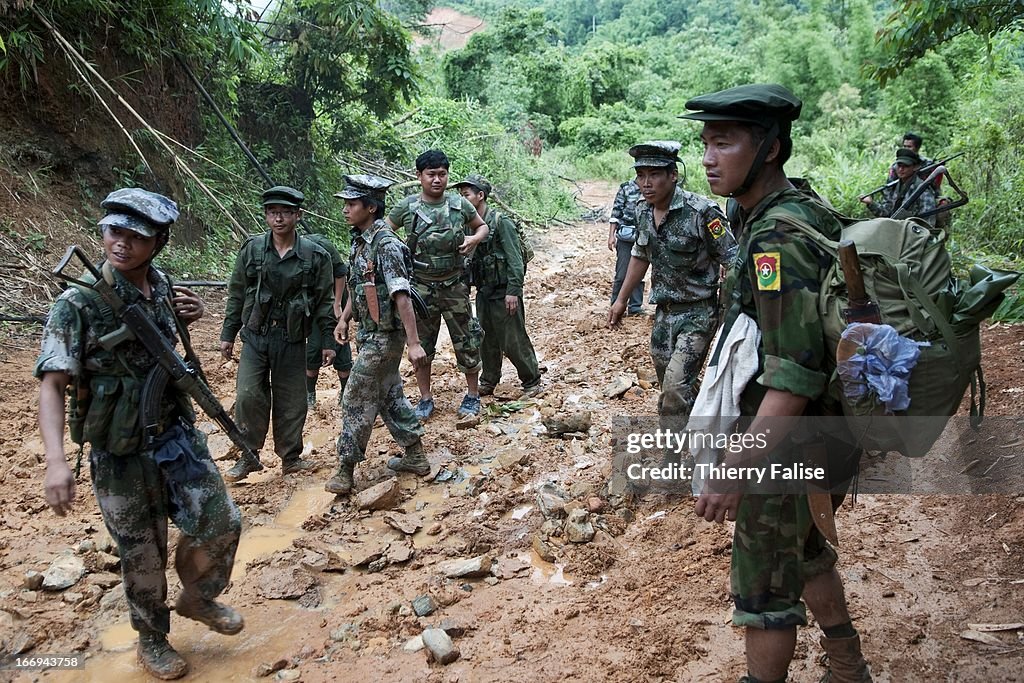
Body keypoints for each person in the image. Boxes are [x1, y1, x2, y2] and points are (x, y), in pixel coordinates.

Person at [684, 84, 871, 683]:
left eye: (726, 142)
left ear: (769, 149)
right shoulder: (799, 209)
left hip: (790, 441)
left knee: (764, 592)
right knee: (806, 549)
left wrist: (732, 469)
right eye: (706, 143)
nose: (710, 157)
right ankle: (847, 664)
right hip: (827, 434)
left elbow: (791, 375)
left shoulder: (775, 239)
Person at [37, 188, 243, 680]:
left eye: (136, 236)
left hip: (175, 435)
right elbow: (52, 383)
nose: (121, 243)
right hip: (118, 450)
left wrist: (180, 316)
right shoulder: (78, 302)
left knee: (221, 520)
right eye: (114, 231)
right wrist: (55, 460)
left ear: (159, 242)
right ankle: (152, 638)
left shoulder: (164, 286)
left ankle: (198, 598)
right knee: (141, 551)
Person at [608, 141, 736, 420]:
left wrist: (733, 312)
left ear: (673, 175)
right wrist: (620, 300)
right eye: (640, 175)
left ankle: (674, 457)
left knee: (674, 391)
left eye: (654, 175)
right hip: (663, 315)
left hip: (698, 314)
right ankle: (699, 419)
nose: (646, 183)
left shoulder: (702, 212)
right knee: (672, 387)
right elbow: (641, 254)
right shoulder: (642, 210)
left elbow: (732, 260)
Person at [220, 186, 335, 482]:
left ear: (298, 215)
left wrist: (327, 342)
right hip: (256, 336)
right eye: (272, 212)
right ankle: (248, 456)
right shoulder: (253, 249)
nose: (279, 218)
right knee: (247, 395)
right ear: (266, 215)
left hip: (292, 338)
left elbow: (325, 303)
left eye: (285, 212)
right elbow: (236, 292)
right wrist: (228, 333)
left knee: (292, 399)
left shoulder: (315, 255)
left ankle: (291, 458)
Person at [325, 175, 429, 495]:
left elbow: (401, 296)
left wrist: (413, 343)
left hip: (386, 337)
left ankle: (345, 469)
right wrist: (343, 319)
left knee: (356, 394)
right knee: (389, 395)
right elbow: (363, 290)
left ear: (371, 208)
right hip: (369, 334)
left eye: (352, 204)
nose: (345, 209)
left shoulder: (386, 245)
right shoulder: (361, 241)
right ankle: (416, 455)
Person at [386, 149, 489, 420]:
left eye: (442, 174)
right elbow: (384, 233)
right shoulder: (407, 207)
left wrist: (473, 240)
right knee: (421, 346)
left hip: (454, 285)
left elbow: (483, 227)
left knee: (467, 340)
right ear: (419, 176)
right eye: (431, 175)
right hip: (420, 288)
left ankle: (472, 395)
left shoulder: (459, 205)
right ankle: (425, 398)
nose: (437, 180)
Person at [453, 174, 542, 397]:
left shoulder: (500, 222)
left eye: (466, 195)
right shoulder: (468, 225)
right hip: (484, 291)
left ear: (480, 196)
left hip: (504, 292)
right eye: (461, 196)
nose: (462, 200)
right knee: (485, 338)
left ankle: (531, 380)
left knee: (513, 339)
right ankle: (489, 380)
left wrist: (514, 291)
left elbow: (515, 260)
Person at [303, 232, 352, 407]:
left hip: (335, 295)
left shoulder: (323, 247)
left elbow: (340, 273)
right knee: (313, 347)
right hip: (313, 302)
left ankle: (345, 392)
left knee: (340, 342)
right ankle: (309, 394)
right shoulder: (292, 251)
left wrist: (337, 304)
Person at [862, 148, 938, 226]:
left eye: (906, 166)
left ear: (915, 167)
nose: (901, 169)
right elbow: (886, 212)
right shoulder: (895, 186)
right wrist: (871, 203)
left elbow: (928, 222)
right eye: (899, 165)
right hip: (894, 228)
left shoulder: (922, 190)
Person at [608, 178, 646, 315]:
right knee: (622, 273)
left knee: (638, 274)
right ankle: (616, 305)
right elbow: (616, 213)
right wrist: (611, 236)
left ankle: (635, 307)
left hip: (643, 237)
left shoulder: (651, 188)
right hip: (625, 237)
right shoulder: (626, 188)